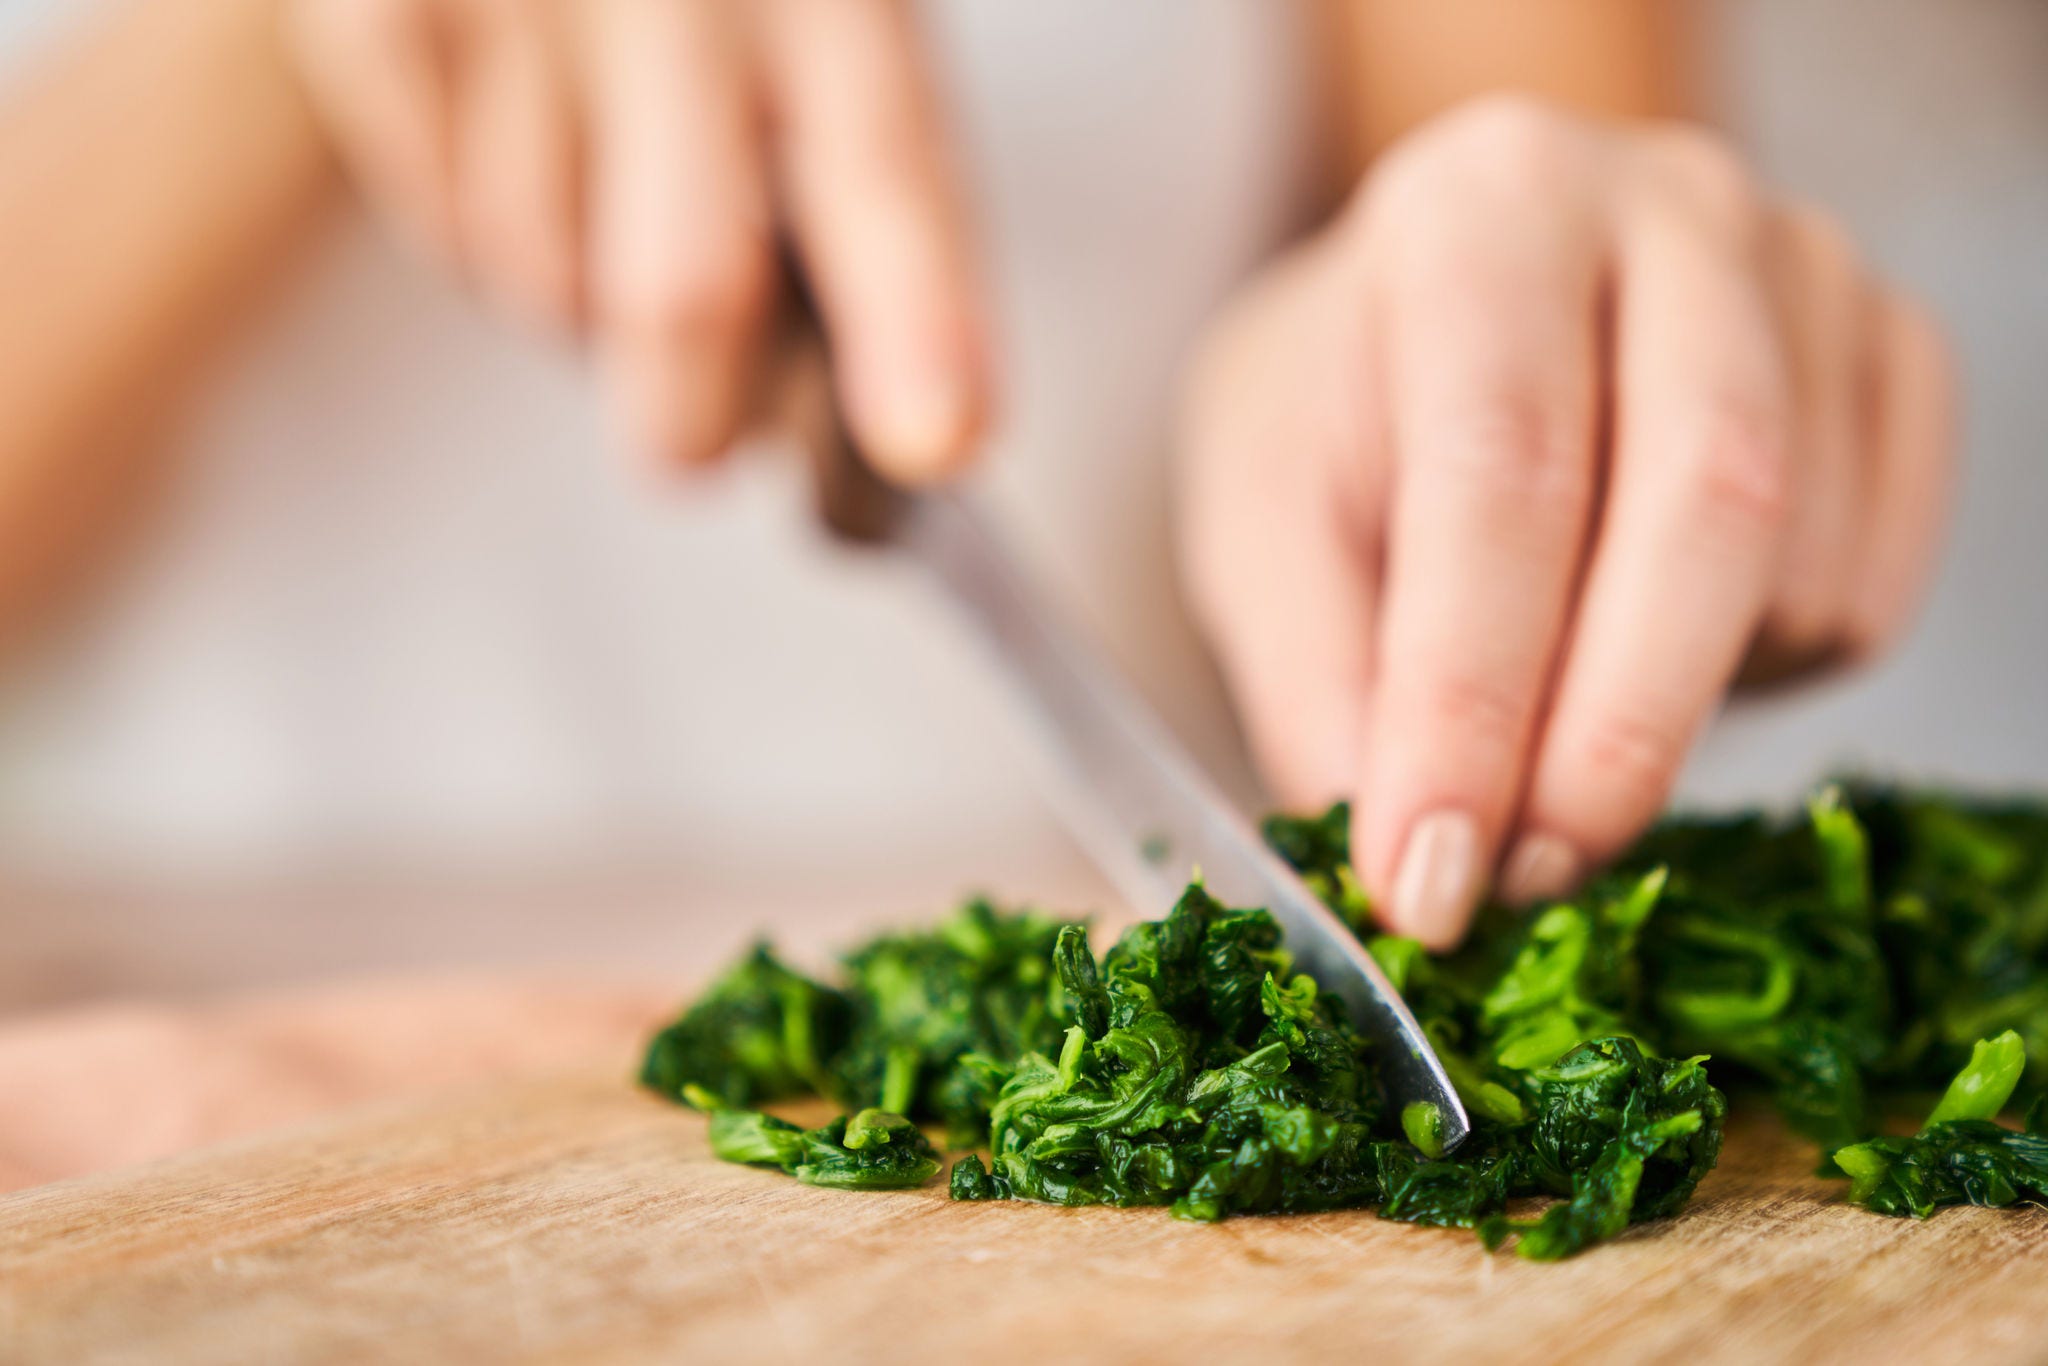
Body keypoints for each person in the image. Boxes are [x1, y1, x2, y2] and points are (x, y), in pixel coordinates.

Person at [0, 1, 1986, 1181]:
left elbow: (1512, 150)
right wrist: (259, 53)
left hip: (1068, 956)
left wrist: (1536, 296)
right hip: (112, 1017)